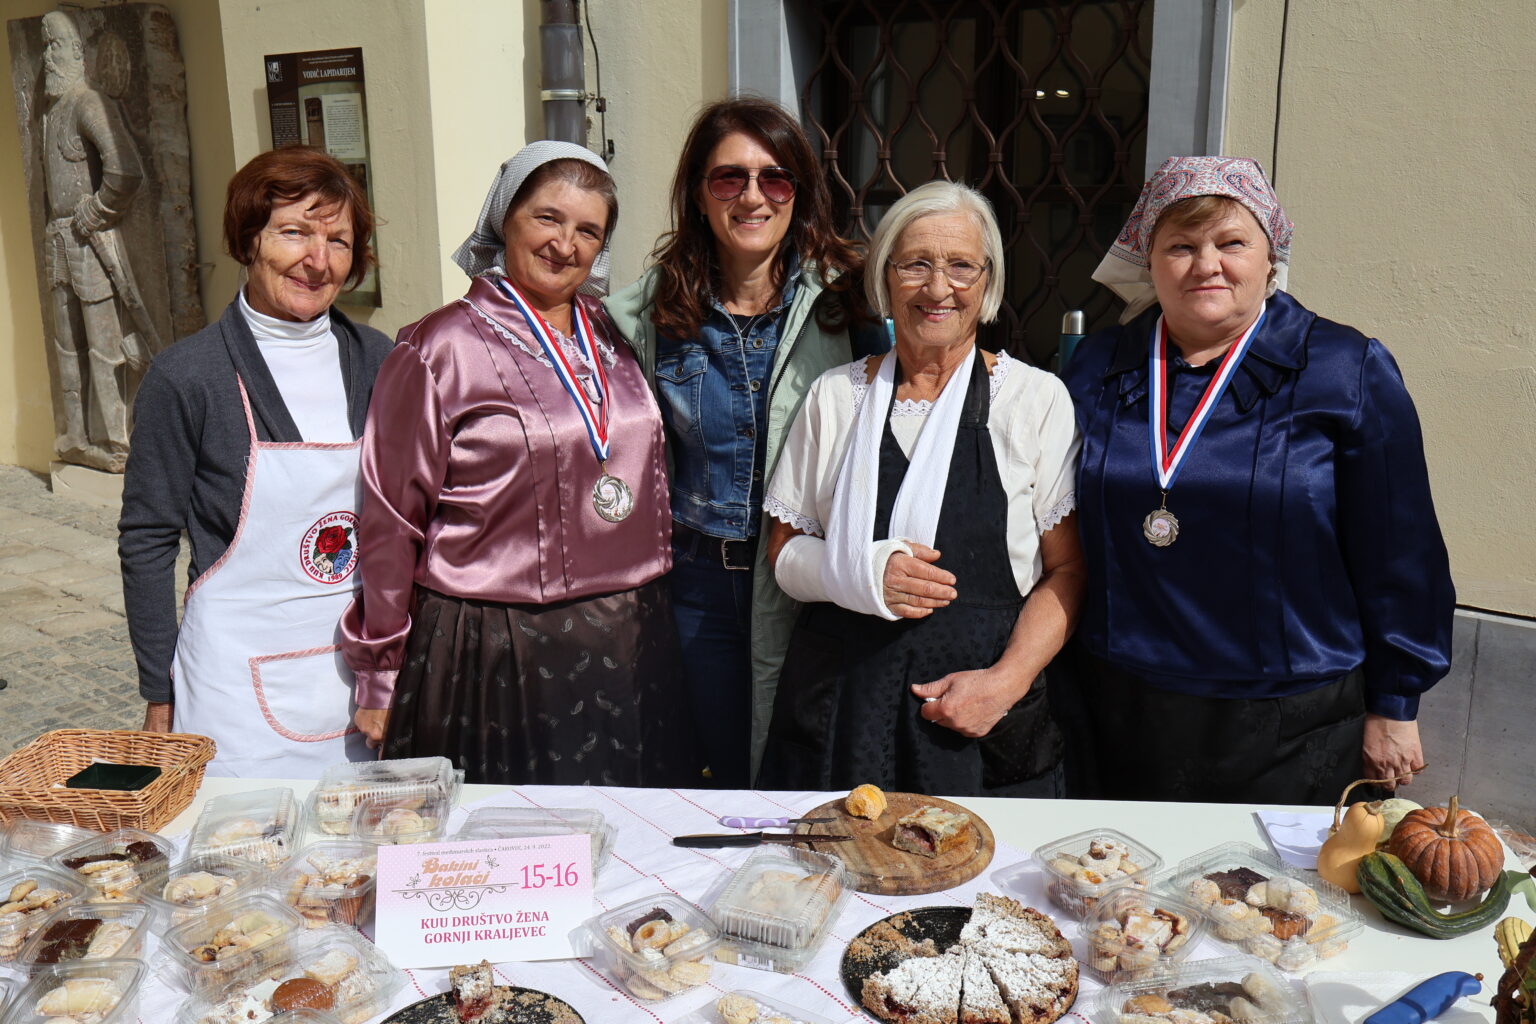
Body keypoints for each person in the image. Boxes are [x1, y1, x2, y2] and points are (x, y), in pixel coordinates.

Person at [1060, 156, 1453, 804]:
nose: (1206, 264)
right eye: (1180, 246)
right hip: (1120, 709)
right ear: (1147, 260)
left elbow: (1400, 549)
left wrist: (1395, 702)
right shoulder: (1099, 367)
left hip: (1291, 724)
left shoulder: (1344, 368)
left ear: (1271, 257)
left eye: (1231, 243)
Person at [341, 143, 692, 787]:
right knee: (515, 834)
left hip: (630, 636)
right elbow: (391, 517)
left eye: (588, 230)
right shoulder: (440, 346)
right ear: (505, 218)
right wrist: (380, 670)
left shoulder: (616, 335)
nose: (565, 244)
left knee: (630, 825)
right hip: (497, 643)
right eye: (547, 218)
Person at [755, 181, 1085, 796]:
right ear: (885, 278)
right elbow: (784, 551)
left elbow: (1066, 571)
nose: (938, 288)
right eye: (915, 265)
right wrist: (857, 572)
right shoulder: (835, 398)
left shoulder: (1034, 400)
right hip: (844, 713)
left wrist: (1004, 685)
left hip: (975, 724)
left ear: (988, 282)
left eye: (961, 266)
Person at [605, 97, 879, 788]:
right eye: (729, 178)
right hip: (697, 586)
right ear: (700, 195)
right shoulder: (649, 313)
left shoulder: (849, 302)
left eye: (775, 178)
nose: (753, 196)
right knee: (720, 772)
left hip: (811, 577)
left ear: (799, 194)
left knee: (811, 768)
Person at [119, 147, 391, 777]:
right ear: (249, 240)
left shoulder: (381, 360)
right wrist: (158, 692)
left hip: (359, 687)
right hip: (234, 686)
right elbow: (147, 538)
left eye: (338, 241)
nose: (317, 260)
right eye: (293, 232)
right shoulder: (187, 376)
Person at [39, 10, 161, 472]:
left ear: (78, 53)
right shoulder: (52, 112)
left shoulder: (88, 103)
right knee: (66, 342)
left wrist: (98, 210)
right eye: (44, 47)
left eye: (55, 46)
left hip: (89, 240)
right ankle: (76, 434)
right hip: (59, 238)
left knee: (104, 344)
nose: (47, 56)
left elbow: (125, 170)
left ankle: (116, 441)